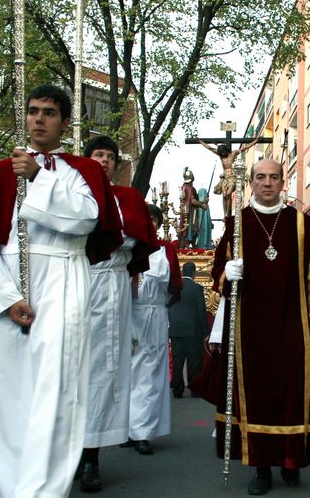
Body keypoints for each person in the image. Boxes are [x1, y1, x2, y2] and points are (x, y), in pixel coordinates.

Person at [0, 84, 123, 497]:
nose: (39, 119)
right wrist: (6, 299)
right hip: (11, 286)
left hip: (65, 282)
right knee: (6, 394)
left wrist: (40, 178)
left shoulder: (80, 172)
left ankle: (42, 490)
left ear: (64, 122)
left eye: (49, 113)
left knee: (57, 389)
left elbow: (86, 220)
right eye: (33, 111)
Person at [209, 158, 310, 495]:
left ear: (283, 183)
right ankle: (261, 468)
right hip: (249, 328)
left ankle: (292, 460)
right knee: (257, 396)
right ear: (251, 183)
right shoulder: (238, 224)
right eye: (260, 177)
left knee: (294, 394)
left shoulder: (299, 223)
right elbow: (217, 272)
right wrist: (227, 273)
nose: (267, 182)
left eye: (274, 177)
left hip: (292, 325)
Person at [78, 136, 159, 492]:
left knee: (102, 369)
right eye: (98, 155)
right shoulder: (72, 193)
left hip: (111, 284)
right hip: (75, 279)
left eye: (111, 157)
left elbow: (134, 241)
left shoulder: (127, 198)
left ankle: (90, 458)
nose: (105, 161)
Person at [124, 204, 181, 455]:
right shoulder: (125, 246)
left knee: (149, 372)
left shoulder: (165, 249)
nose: (150, 223)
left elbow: (171, 283)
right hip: (129, 311)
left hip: (153, 310)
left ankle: (144, 431)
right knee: (127, 372)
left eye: (154, 219)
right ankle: (126, 427)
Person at [168, 261, 209, 398]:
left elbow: (168, 308)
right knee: (194, 361)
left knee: (178, 360)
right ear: (194, 273)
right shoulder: (197, 288)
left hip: (175, 330)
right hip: (193, 331)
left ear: (182, 272)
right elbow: (201, 311)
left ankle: (177, 390)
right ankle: (194, 390)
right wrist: (205, 331)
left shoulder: (174, 288)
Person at [199, 139, 259, 217]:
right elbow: (209, 148)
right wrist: (201, 141)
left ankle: (228, 212)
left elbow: (245, 147)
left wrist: (256, 140)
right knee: (224, 195)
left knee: (228, 193)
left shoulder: (233, 153)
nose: (223, 154)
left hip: (233, 178)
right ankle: (225, 214)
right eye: (222, 154)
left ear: (226, 150)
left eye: (224, 153)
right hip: (225, 178)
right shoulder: (221, 156)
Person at [179, 168, 209, 248]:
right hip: (190, 213)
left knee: (190, 230)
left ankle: (190, 244)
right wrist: (202, 205)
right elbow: (192, 201)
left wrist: (203, 201)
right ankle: (189, 244)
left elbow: (194, 200)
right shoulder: (190, 188)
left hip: (186, 212)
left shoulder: (184, 187)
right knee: (191, 230)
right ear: (192, 178)